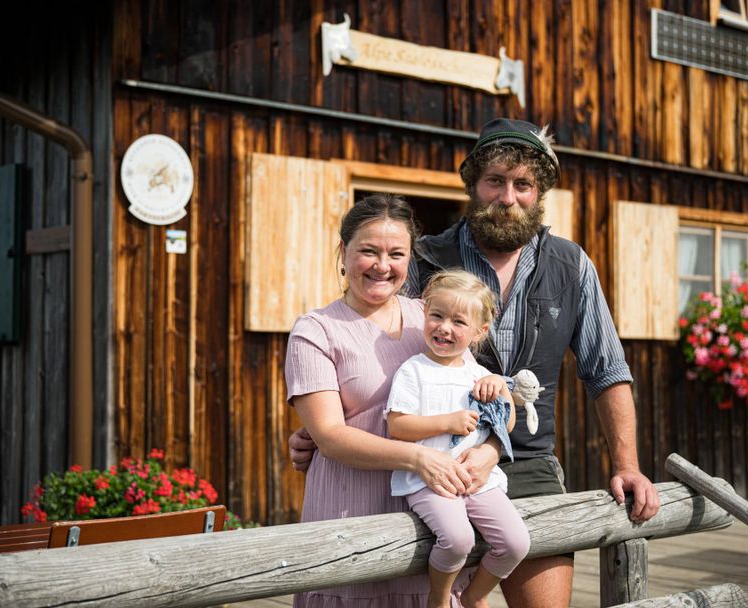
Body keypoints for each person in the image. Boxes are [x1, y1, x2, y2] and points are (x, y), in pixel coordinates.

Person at [291, 118, 662, 607]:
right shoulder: (425, 259)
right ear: (473, 184)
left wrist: (628, 465)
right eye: (495, 181)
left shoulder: (571, 266)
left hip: (526, 465)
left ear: (540, 192)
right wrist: (321, 427)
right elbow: (371, 340)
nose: (507, 197)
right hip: (434, 468)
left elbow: (606, 371)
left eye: (523, 184)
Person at [284, 193, 497, 607]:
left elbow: (481, 400)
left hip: (434, 524)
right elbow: (328, 435)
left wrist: (489, 452)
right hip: (350, 522)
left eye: (396, 253)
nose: (383, 265)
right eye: (369, 251)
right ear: (343, 252)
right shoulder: (316, 330)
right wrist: (418, 458)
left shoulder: (433, 318)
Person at [386, 270, 531, 608]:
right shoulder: (414, 370)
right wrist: (446, 422)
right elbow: (398, 426)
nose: (444, 327)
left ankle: (474, 595)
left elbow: (505, 424)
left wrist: (502, 395)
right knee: (457, 539)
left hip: (478, 482)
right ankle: (438, 598)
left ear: (480, 331)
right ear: (425, 314)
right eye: (436, 315)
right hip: (430, 482)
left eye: (458, 322)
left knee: (515, 542)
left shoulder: (480, 375)